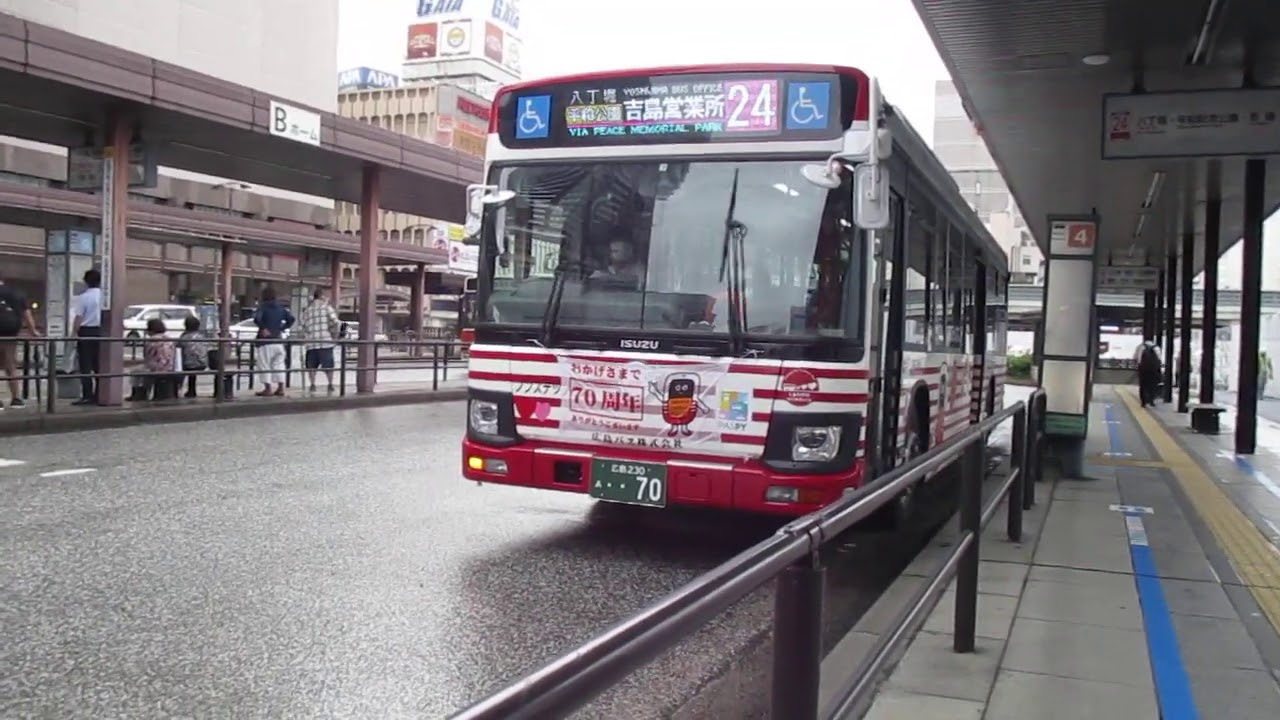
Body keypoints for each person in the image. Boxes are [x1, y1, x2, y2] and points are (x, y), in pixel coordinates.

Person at [0, 275, 38, 408]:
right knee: (11, 365)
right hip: (10, 333)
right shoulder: (15, 292)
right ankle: (16, 398)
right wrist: (33, 331)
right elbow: (27, 314)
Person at [252, 286, 295, 397]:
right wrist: (282, 328)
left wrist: (263, 328)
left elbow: (257, 318)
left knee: (264, 364)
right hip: (278, 340)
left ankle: (268, 389)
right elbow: (291, 319)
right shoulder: (281, 307)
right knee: (279, 364)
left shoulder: (263, 306)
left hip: (265, 341)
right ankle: (281, 388)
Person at [297, 286, 340, 393]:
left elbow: (301, 327)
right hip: (325, 342)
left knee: (311, 366)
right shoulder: (327, 308)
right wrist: (334, 336)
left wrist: (305, 336)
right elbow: (335, 322)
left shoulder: (307, 310)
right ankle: (330, 384)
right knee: (329, 365)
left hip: (311, 343)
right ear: (322, 296)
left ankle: (312, 385)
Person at [71, 269, 104, 406]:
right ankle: (100, 394)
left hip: (86, 331)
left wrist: (74, 333)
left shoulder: (84, 297)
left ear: (86, 282)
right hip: (102, 332)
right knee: (99, 365)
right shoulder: (104, 296)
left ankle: (87, 395)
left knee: (85, 366)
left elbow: (79, 317)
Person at [129, 318, 177, 400]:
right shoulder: (169, 339)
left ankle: (140, 394)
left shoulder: (151, 341)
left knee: (136, 371)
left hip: (156, 368)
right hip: (170, 367)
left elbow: (147, 357)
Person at [177, 315, 209, 399]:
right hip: (202, 363)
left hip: (188, 365)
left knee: (181, 366)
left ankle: (178, 389)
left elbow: (178, 347)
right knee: (192, 368)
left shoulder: (185, 337)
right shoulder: (201, 336)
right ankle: (191, 390)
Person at [1138, 340, 1162, 407]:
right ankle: (1151, 400)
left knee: (1143, 386)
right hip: (1153, 371)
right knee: (1152, 385)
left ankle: (1143, 402)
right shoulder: (1156, 348)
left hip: (1143, 371)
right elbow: (1159, 359)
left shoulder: (1141, 348)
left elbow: (1138, 360)